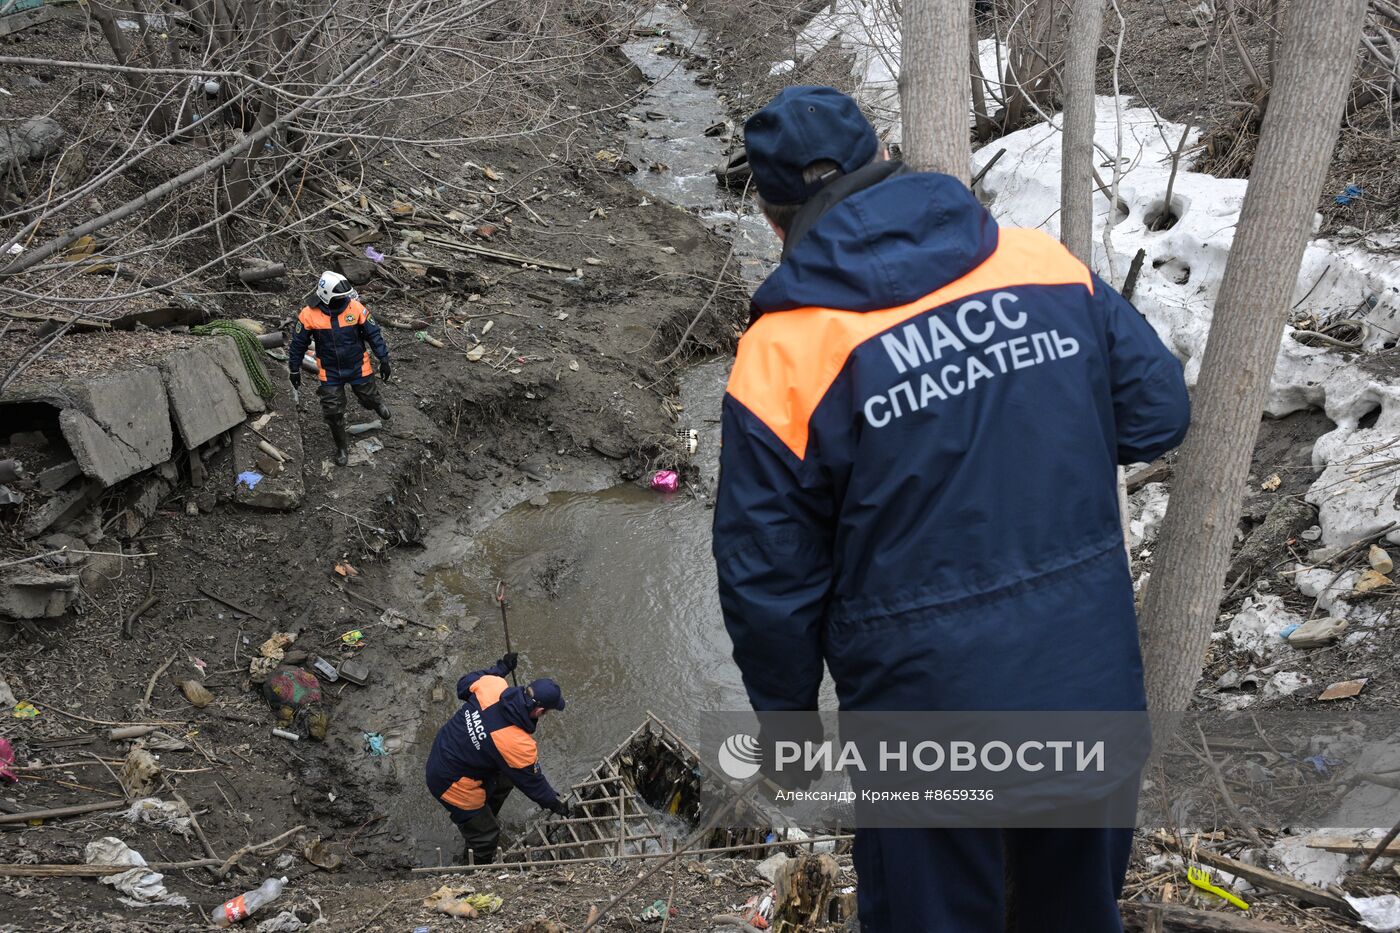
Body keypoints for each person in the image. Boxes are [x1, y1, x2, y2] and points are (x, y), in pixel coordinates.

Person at [712, 86, 1190, 930]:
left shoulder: (784, 352)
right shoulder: (1038, 262)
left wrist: (789, 730)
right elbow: (1156, 414)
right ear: (884, 160)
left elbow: (767, 574)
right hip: (1086, 684)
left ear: (773, 216)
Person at [425, 652, 573, 864]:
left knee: (506, 777)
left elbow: (463, 685)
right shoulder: (517, 744)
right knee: (487, 836)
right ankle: (474, 870)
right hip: (450, 782)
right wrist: (556, 805)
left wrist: (501, 668)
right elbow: (534, 784)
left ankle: (483, 813)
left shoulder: (493, 685)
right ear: (540, 710)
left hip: (443, 750)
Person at [288, 271, 393, 467]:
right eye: (339, 297)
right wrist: (294, 369)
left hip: (358, 365)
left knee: (367, 397)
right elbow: (297, 344)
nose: (344, 300)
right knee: (333, 412)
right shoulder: (308, 315)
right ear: (327, 296)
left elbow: (374, 334)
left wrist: (384, 358)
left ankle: (376, 403)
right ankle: (342, 448)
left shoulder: (356, 308)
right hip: (330, 371)